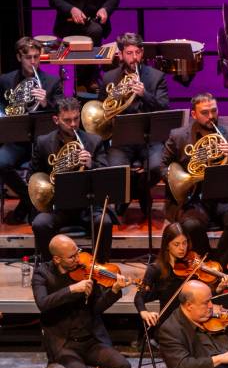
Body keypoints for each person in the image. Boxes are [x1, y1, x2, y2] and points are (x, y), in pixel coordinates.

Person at [32, 234, 135, 368]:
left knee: (123, 365)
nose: (78, 259)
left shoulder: (86, 272)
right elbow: (42, 304)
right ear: (57, 259)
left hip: (90, 341)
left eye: (77, 252)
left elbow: (96, 309)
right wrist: (72, 289)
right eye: (71, 257)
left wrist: (114, 290)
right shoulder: (42, 274)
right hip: (64, 345)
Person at [160, 93, 228, 270]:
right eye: (205, 112)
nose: (211, 116)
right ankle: (208, 261)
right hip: (194, 199)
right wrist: (181, 178)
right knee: (190, 225)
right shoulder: (178, 136)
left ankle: (218, 265)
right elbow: (163, 166)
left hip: (225, 198)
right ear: (193, 114)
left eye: (214, 111)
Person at [30, 97, 116, 259]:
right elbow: (33, 176)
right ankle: (51, 268)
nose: (73, 124)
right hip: (58, 206)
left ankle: (101, 267)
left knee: (104, 222)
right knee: (40, 223)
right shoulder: (43, 142)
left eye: (76, 119)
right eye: (67, 120)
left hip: (87, 206)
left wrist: (91, 164)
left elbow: (106, 175)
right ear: (56, 120)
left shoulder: (94, 141)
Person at [102, 33, 170, 223]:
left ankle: (134, 192)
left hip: (150, 138)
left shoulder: (156, 77)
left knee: (157, 167)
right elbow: (101, 111)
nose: (134, 58)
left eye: (137, 52)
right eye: (129, 53)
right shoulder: (109, 78)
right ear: (121, 55)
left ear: (142, 54)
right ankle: (140, 193)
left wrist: (145, 94)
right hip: (122, 140)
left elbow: (164, 109)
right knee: (115, 168)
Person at [0, 37, 63, 225]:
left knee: (53, 166)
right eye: (29, 57)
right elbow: (1, 106)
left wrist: (46, 103)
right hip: (17, 139)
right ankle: (28, 199)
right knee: (1, 162)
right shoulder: (5, 80)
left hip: (43, 141)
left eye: (37, 57)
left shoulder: (51, 82)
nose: (34, 62)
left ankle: (35, 206)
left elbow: (63, 112)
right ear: (19, 57)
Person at [136, 221, 228, 330]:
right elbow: (139, 297)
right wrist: (144, 312)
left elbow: (198, 299)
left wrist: (218, 289)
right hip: (169, 325)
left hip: (192, 323)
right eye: (176, 244)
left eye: (184, 243)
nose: (182, 248)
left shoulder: (191, 265)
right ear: (167, 245)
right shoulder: (155, 269)